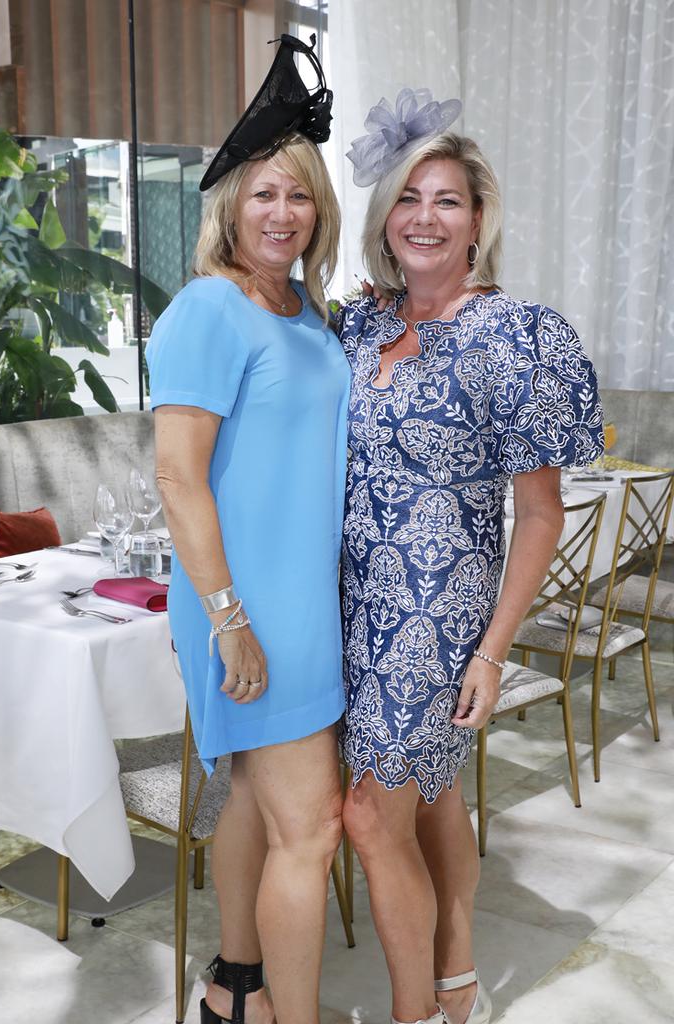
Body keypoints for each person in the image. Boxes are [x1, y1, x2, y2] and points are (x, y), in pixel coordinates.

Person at [337, 89, 604, 1024]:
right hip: (353, 600)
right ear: (384, 218)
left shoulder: (515, 337)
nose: (425, 216)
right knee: (433, 795)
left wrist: (492, 650)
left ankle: (413, 1013)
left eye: (447, 199)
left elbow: (539, 515)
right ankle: (455, 973)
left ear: (479, 220)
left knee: (370, 815)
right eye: (408, 198)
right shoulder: (363, 325)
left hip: (440, 607)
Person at [146, 35, 349, 1024]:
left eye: (299, 193)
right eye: (264, 192)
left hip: (306, 602)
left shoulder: (308, 313)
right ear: (230, 201)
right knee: (309, 832)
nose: (281, 212)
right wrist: (228, 615)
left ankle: (236, 987)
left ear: (321, 210)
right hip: (245, 603)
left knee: (257, 806)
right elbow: (178, 476)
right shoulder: (207, 311)